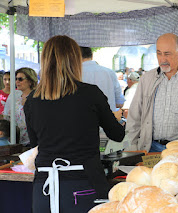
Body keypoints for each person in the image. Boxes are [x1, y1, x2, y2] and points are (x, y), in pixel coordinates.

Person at [24, 35, 125, 213]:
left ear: (45, 62)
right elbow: (117, 134)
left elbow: (35, 145)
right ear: (75, 60)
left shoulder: (32, 100)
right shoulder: (90, 94)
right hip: (83, 183)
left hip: (44, 188)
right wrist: (119, 119)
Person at [80, 47, 125, 111]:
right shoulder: (109, 72)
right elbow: (120, 102)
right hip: (108, 117)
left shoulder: (74, 74)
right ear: (92, 56)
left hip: (83, 118)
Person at [3, 68, 38, 146]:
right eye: (16, 79)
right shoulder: (15, 97)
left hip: (34, 140)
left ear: (30, 81)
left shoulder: (37, 97)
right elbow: (7, 118)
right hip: (17, 141)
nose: (17, 81)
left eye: (20, 79)